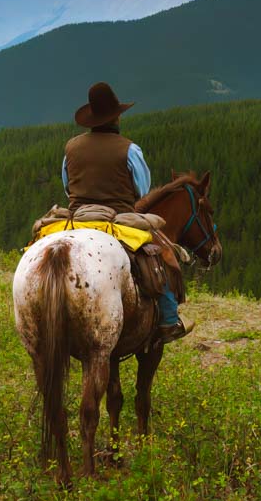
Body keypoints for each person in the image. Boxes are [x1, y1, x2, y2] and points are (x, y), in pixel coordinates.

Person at [61, 81, 193, 344]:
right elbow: (141, 189)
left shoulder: (70, 148)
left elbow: (67, 186)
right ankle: (168, 319)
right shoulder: (129, 149)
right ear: (116, 117)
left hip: (77, 216)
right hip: (117, 216)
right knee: (161, 253)